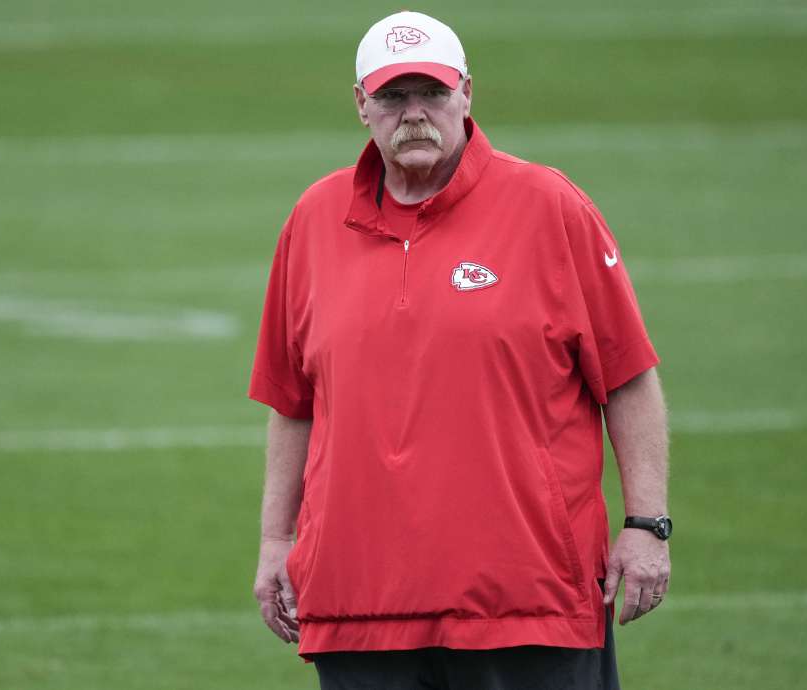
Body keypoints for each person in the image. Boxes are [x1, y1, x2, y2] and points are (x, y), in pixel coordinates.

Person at [247, 11, 672, 689]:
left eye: (432, 94)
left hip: (527, 603)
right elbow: (291, 401)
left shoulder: (548, 206)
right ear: (362, 105)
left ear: (466, 94)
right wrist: (276, 542)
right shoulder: (313, 220)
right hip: (359, 607)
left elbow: (628, 377)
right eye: (392, 96)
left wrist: (647, 525)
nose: (414, 114)